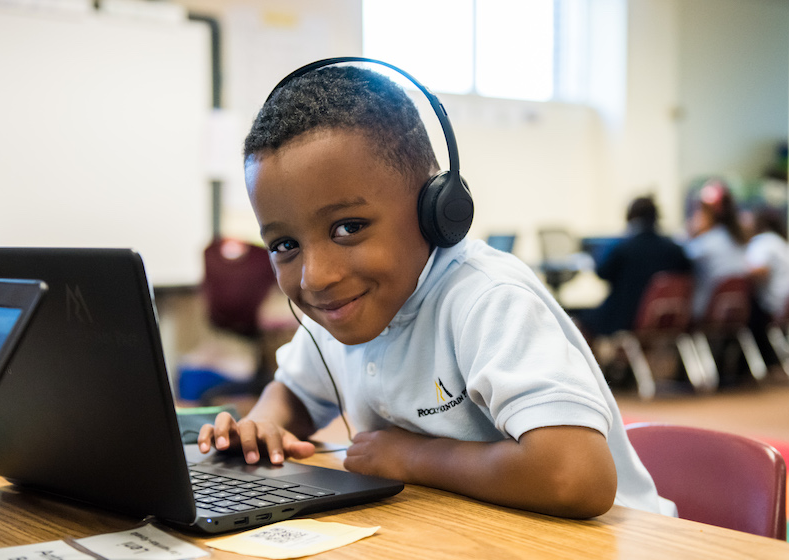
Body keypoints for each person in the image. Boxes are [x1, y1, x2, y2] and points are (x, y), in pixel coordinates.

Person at [197, 61, 672, 519]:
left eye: (348, 227)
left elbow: (575, 476)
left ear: (438, 211)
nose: (315, 277)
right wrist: (264, 425)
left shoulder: (486, 301)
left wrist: (414, 457)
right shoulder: (337, 310)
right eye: (285, 244)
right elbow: (295, 394)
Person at [575, 196, 691, 338]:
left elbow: (602, 272)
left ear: (631, 218)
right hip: (666, 320)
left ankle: (598, 359)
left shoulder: (623, 248)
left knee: (577, 318)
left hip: (624, 319)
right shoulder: (675, 249)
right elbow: (688, 274)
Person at [684, 180, 747, 319]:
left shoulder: (706, 243)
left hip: (708, 312)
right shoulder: (738, 239)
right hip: (738, 311)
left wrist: (692, 233)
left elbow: (682, 255)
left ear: (708, 213)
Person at [743, 206, 789, 363]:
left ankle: (746, 366)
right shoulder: (779, 242)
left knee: (746, 308)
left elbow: (761, 271)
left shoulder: (763, 242)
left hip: (774, 304)